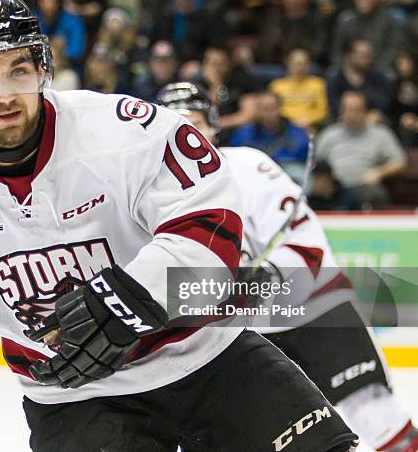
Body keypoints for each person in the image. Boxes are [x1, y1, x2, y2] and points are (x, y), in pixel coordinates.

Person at [0, 0, 358, 452]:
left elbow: (210, 223)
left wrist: (134, 296)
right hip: (73, 395)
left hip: (205, 356)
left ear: (42, 68)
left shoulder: (125, 129)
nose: (4, 95)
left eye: (18, 69)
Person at [158, 81, 418, 452]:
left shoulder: (248, 165)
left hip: (311, 308)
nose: (186, 135)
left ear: (214, 127)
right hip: (236, 335)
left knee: (373, 415)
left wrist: (263, 279)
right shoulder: (150, 191)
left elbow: (306, 244)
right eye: (174, 125)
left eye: (195, 123)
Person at [316, 90, 408, 208]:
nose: (350, 114)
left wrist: (378, 173)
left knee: (376, 194)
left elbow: (400, 162)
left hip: (364, 187)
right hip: (334, 189)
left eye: (356, 110)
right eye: (346, 109)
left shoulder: (380, 134)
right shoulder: (329, 135)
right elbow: (316, 165)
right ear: (340, 111)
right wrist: (323, 181)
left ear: (365, 112)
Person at [230, 92, 310, 182]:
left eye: (272, 108)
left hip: (287, 170)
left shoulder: (296, 132)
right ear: (257, 110)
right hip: (254, 171)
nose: (268, 113)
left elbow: (303, 159)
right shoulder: (244, 133)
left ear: (280, 109)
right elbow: (236, 158)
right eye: (264, 109)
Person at [269, 48, 329, 131]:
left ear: (309, 66)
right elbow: (272, 109)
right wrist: (291, 122)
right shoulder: (277, 86)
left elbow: (322, 111)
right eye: (297, 64)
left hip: (309, 126)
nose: (300, 67)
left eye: (304, 64)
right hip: (283, 127)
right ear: (288, 64)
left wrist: (309, 120)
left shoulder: (318, 84)